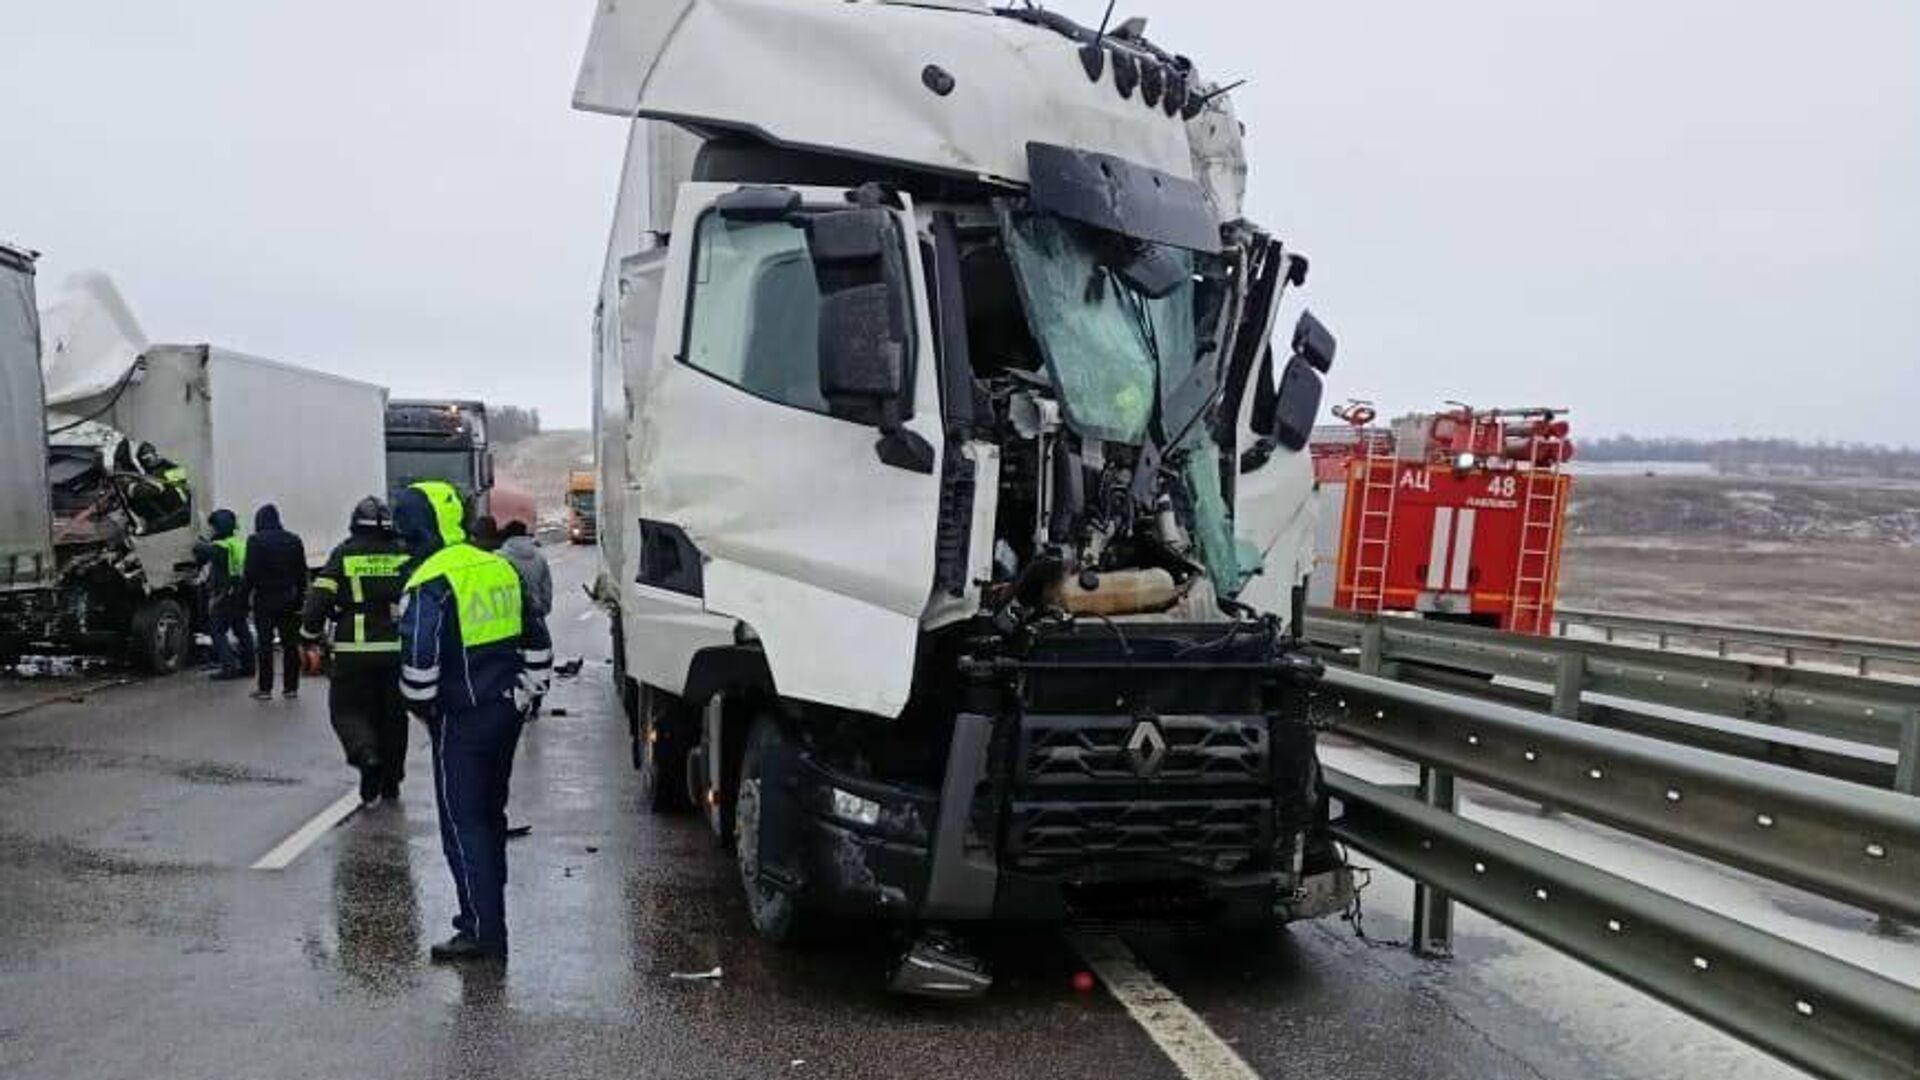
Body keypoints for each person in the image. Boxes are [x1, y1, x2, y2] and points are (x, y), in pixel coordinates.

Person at [394, 480, 551, 963]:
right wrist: (523, 697)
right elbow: (539, 643)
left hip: (459, 722)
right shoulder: (498, 566)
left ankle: (480, 930)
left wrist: (427, 712)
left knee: (464, 827)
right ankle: (489, 919)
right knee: (489, 818)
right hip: (505, 713)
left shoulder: (431, 581)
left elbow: (419, 675)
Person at [301, 497, 412, 805]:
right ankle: (391, 781)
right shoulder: (403, 554)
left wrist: (308, 634)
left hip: (353, 650)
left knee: (347, 710)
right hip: (396, 650)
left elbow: (319, 597)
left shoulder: (345, 554)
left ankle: (366, 758)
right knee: (393, 716)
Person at [243, 503, 308, 701]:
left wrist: (244, 598)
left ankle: (265, 689)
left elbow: (250, 573)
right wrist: (300, 598)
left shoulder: (255, 541)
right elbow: (301, 572)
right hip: (289, 598)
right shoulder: (294, 540)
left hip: (265, 599)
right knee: (290, 644)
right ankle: (291, 688)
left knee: (265, 645)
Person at [495, 520, 553, 717]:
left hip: (509, 618)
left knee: (513, 661)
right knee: (538, 660)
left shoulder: (499, 557)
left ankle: (515, 700)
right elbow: (547, 589)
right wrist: (541, 611)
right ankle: (536, 699)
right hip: (535, 616)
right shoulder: (539, 557)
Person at [192, 508, 254, 680]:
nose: (211, 530)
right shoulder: (239, 543)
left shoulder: (221, 546)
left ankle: (229, 667)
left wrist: (198, 540)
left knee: (217, 630)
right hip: (242, 591)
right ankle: (249, 666)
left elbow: (199, 549)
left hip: (227, 593)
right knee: (241, 629)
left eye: (213, 527)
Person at [116, 440, 192, 535]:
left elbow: (150, 490)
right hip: (185, 509)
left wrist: (128, 486)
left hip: (178, 515)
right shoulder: (171, 467)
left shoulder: (158, 472)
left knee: (139, 501)